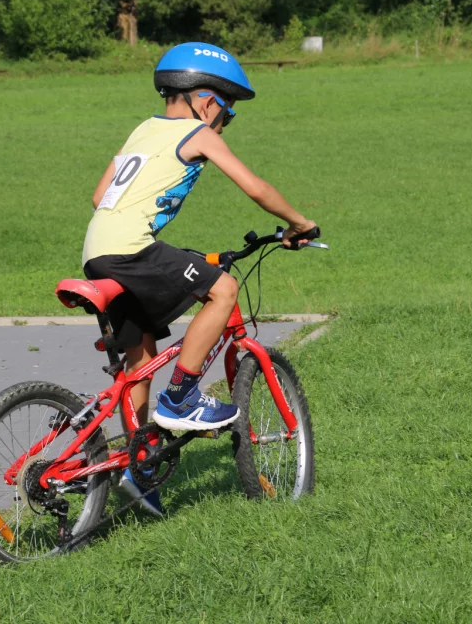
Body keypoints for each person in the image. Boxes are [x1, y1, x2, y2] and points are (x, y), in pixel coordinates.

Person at [82, 42, 318, 514]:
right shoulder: (198, 132)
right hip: (131, 249)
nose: (223, 124)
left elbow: (99, 195)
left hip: (97, 251)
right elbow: (255, 187)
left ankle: (140, 471)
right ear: (206, 100)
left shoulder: (144, 129)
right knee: (224, 289)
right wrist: (300, 223)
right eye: (226, 114)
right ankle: (182, 397)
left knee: (139, 361)